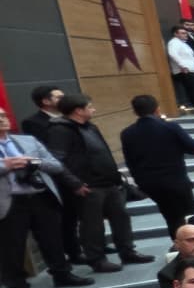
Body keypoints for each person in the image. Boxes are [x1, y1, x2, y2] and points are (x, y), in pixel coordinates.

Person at [45, 94, 153, 272]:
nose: (93, 109)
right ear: (78, 111)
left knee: (121, 218)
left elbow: (104, 153)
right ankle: (96, 259)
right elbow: (56, 161)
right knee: (92, 225)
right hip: (87, 186)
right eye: (90, 107)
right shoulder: (60, 130)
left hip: (109, 182)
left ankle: (127, 251)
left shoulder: (90, 127)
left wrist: (117, 178)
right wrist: (75, 183)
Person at [0, 109, 93, 288]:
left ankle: (62, 274)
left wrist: (33, 162)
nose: (2, 120)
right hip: (9, 202)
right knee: (12, 247)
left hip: (40, 196)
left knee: (52, 240)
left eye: (3, 115)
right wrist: (6, 166)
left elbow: (55, 165)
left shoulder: (28, 141)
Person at [120, 95, 194, 237]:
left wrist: (140, 181)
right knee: (189, 217)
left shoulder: (127, 133)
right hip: (176, 181)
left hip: (150, 184)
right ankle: (192, 245)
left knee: (170, 217)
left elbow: (130, 161)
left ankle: (178, 244)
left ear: (134, 111)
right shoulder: (170, 127)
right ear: (157, 109)